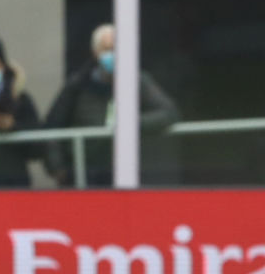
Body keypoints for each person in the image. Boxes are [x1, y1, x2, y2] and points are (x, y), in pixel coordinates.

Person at [45, 24, 179, 187]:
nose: (113, 54)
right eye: (107, 49)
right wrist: (57, 168)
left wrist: (132, 123)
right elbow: (52, 126)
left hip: (127, 170)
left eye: (117, 48)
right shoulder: (78, 84)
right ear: (95, 53)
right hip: (84, 174)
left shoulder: (137, 81)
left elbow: (168, 112)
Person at [0, 34, 42, 187]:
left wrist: (13, 127)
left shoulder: (20, 99)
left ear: (3, 67)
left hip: (13, 185)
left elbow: (38, 149)